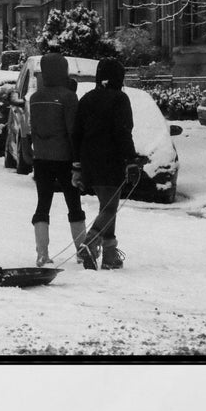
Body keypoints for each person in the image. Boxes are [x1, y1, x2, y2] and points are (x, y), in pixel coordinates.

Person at [72, 56, 143, 270]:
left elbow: (76, 133)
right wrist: (131, 160)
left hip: (89, 159)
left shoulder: (87, 98)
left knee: (107, 205)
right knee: (110, 207)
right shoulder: (120, 99)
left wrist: (77, 164)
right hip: (111, 159)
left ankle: (110, 255)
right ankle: (90, 241)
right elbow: (123, 132)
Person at [27, 52, 96, 269]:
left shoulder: (35, 98)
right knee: (74, 204)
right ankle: (81, 251)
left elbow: (33, 129)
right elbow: (73, 131)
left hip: (41, 157)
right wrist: (78, 162)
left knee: (43, 204)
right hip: (65, 158)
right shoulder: (68, 97)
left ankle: (42, 253)